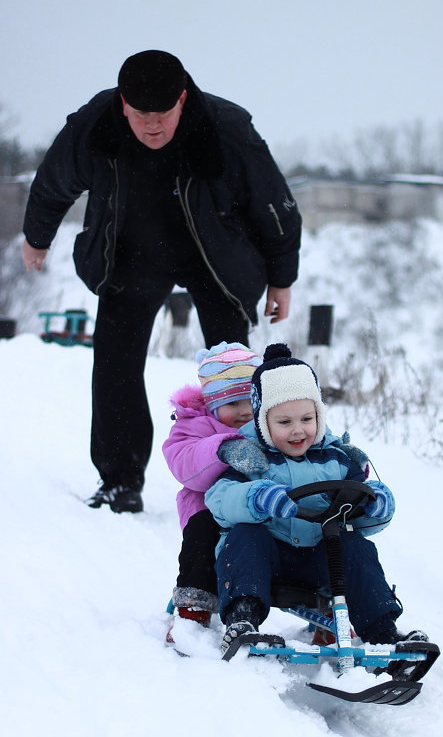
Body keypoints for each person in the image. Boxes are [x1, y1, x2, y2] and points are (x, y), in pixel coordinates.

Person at [21, 50, 301, 513]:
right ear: (123, 104)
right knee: (116, 368)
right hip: (131, 258)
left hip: (215, 259)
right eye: (141, 115)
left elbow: (272, 204)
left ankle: (241, 473)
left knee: (233, 374)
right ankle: (119, 480)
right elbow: (53, 182)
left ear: (183, 100)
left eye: (164, 116)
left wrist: (282, 278)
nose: (153, 127)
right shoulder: (96, 123)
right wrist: (36, 237)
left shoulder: (226, 127)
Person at [205, 343, 427, 653]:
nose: (297, 431)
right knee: (245, 535)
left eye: (307, 419)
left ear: (318, 416)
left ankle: (382, 631)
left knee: (356, 546)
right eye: (284, 423)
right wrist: (256, 497)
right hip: (269, 561)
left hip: (324, 560)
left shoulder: (338, 461)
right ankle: (243, 619)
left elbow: (359, 512)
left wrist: (375, 505)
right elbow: (219, 500)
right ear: (263, 422)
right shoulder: (251, 459)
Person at [162, 341, 266, 634]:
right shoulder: (195, 425)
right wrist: (221, 450)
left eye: (251, 402)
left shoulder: (271, 425)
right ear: (212, 403)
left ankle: (329, 610)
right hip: (209, 509)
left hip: (260, 509)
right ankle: (194, 606)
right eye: (234, 404)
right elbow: (184, 463)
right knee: (202, 535)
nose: (245, 412)